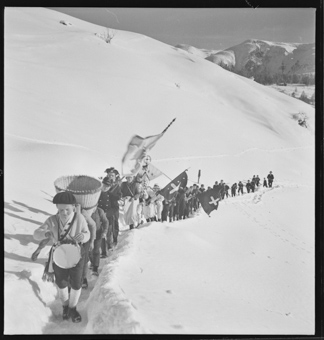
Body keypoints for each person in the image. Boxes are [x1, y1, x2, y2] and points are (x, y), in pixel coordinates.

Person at [33, 191, 90, 323]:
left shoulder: (80, 218)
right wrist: (45, 233)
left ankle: (73, 308)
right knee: (61, 283)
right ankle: (65, 307)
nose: (64, 213)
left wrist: (83, 236)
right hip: (59, 257)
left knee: (76, 283)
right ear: (57, 209)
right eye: (61, 210)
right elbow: (36, 234)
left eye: (67, 210)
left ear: (74, 208)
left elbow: (87, 233)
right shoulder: (52, 220)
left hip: (77, 256)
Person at [98, 169, 122, 257]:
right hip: (99, 217)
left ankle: (109, 246)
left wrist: (107, 213)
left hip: (108, 217)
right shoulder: (97, 194)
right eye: (104, 185)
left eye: (107, 186)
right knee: (101, 233)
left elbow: (115, 208)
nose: (105, 187)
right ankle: (103, 252)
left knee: (108, 233)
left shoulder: (112, 196)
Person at [88, 206, 109, 276]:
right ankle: (92, 262)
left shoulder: (99, 211)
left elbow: (105, 221)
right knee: (89, 251)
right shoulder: (86, 211)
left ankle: (95, 268)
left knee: (96, 250)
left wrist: (104, 231)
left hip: (98, 233)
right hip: (87, 235)